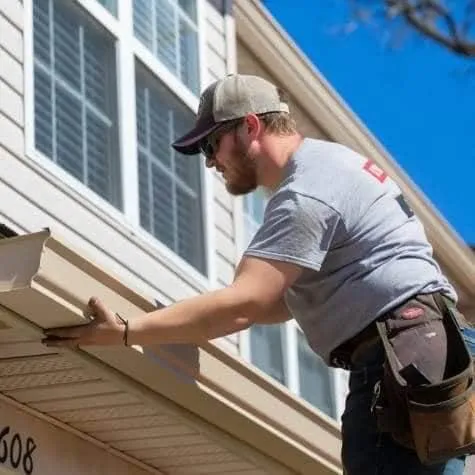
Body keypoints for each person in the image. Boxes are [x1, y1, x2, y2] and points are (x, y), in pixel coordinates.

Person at [42, 74, 469, 474]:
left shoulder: (307, 191)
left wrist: (126, 331)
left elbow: (244, 304)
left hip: (399, 355)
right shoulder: (332, 164)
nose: (210, 163)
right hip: (427, 347)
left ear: (249, 127)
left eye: (212, 145)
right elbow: (274, 301)